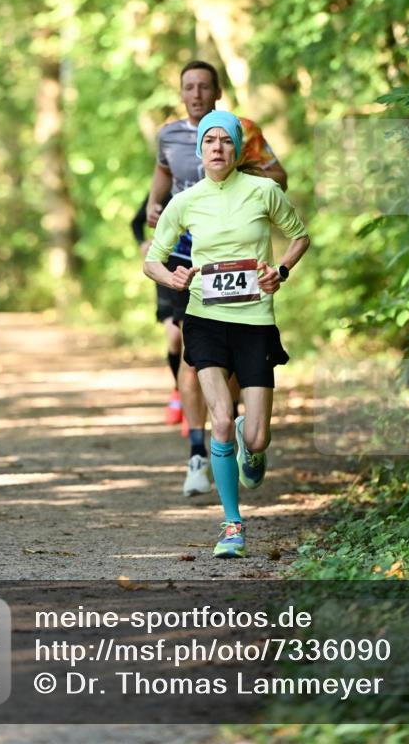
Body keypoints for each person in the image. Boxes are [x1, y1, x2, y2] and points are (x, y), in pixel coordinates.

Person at [145, 111, 309, 558]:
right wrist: (172, 279)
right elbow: (152, 259)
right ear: (200, 150)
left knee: (255, 439)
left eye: (226, 141)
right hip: (205, 319)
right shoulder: (186, 201)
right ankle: (232, 526)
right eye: (209, 140)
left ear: (238, 149)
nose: (217, 147)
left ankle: (249, 447)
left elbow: (299, 237)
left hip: (255, 322)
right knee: (219, 420)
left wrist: (281, 271)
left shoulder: (265, 191)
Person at [146, 60, 288, 497]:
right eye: (189, 87)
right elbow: (163, 180)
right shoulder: (169, 134)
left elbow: (279, 176)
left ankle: (235, 436)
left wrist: (239, 181)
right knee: (188, 350)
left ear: (217, 92)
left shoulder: (241, 130)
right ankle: (198, 452)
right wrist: (154, 207)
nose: (196, 94)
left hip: (236, 265)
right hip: (186, 262)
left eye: (204, 87)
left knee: (225, 363)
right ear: (181, 93)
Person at [130, 194, 186, 431]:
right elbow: (135, 221)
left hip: (192, 269)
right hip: (164, 270)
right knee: (174, 338)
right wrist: (143, 242)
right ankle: (179, 391)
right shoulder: (161, 192)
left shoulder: (202, 188)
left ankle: (194, 403)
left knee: (191, 341)